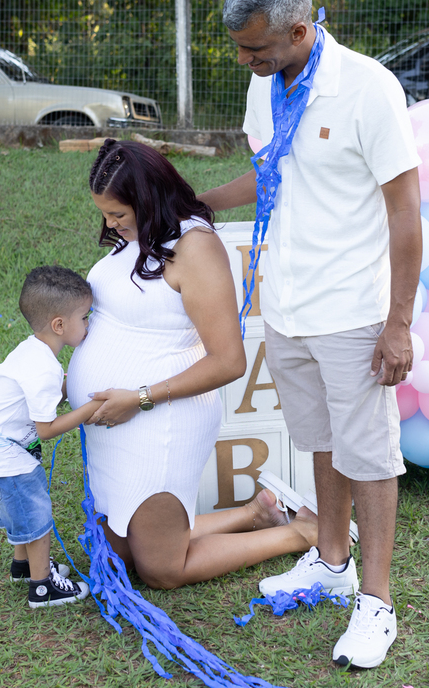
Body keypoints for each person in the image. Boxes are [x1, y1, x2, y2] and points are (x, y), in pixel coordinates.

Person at [198, 0, 424, 670]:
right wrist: (200, 202)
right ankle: (331, 563)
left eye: (256, 48)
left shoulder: (367, 88)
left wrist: (399, 323)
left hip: (354, 310)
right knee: (321, 442)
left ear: (300, 31)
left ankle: (376, 604)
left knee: (370, 455)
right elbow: (273, 172)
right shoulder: (264, 84)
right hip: (288, 303)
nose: (246, 60)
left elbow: (406, 212)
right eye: (240, 49)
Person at [66, 138, 319, 590]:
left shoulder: (195, 247)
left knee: (161, 570)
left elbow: (229, 361)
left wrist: (139, 398)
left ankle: (299, 533)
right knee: (120, 555)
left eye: (118, 214)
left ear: (147, 199)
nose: (109, 224)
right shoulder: (139, 236)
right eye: (104, 214)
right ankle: (253, 514)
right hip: (117, 423)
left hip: (158, 420)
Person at [0, 265, 102, 609]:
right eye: (85, 317)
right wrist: (91, 408)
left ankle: (22, 566)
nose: (89, 324)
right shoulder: (43, 368)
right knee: (36, 517)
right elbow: (46, 429)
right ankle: (42, 588)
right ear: (60, 325)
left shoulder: (32, 351)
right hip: (4, 454)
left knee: (22, 512)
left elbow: (48, 396)